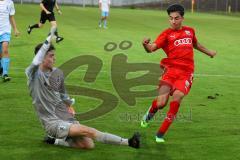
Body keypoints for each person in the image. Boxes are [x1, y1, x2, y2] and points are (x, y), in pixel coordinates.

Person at [25, 27, 140, 149]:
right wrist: (48, 39)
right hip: (53, 123)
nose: (54, 58)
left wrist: (69, 106)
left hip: (65, 117)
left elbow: (64, 95)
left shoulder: (57, 73)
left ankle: (54, 141)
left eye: (54, 55)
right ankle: (129, 142)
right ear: (42, 57)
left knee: (88, 145)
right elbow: (35, 61)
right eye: (51, 56)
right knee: (89, 131)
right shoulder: (34, 75)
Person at [141, 4, 217, 143]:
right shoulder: (166, 34)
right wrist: (145, 45)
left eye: (176, 18)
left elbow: (196, 44)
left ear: (182, 18)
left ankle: (160, 134)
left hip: (186, 73)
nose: (173, 21)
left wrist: (209, 52)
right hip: (170, 72)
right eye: (170, 18)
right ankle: (149, 114)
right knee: (161, 103)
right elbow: (152, 48)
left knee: (177, 97)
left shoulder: (190, 31)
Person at [0, 0, 20, 82]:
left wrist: (15, 29)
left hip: (5, 30)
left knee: (5, 50)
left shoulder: (9, 2)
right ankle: (1, 68)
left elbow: (11, 17)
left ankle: (5, 74)